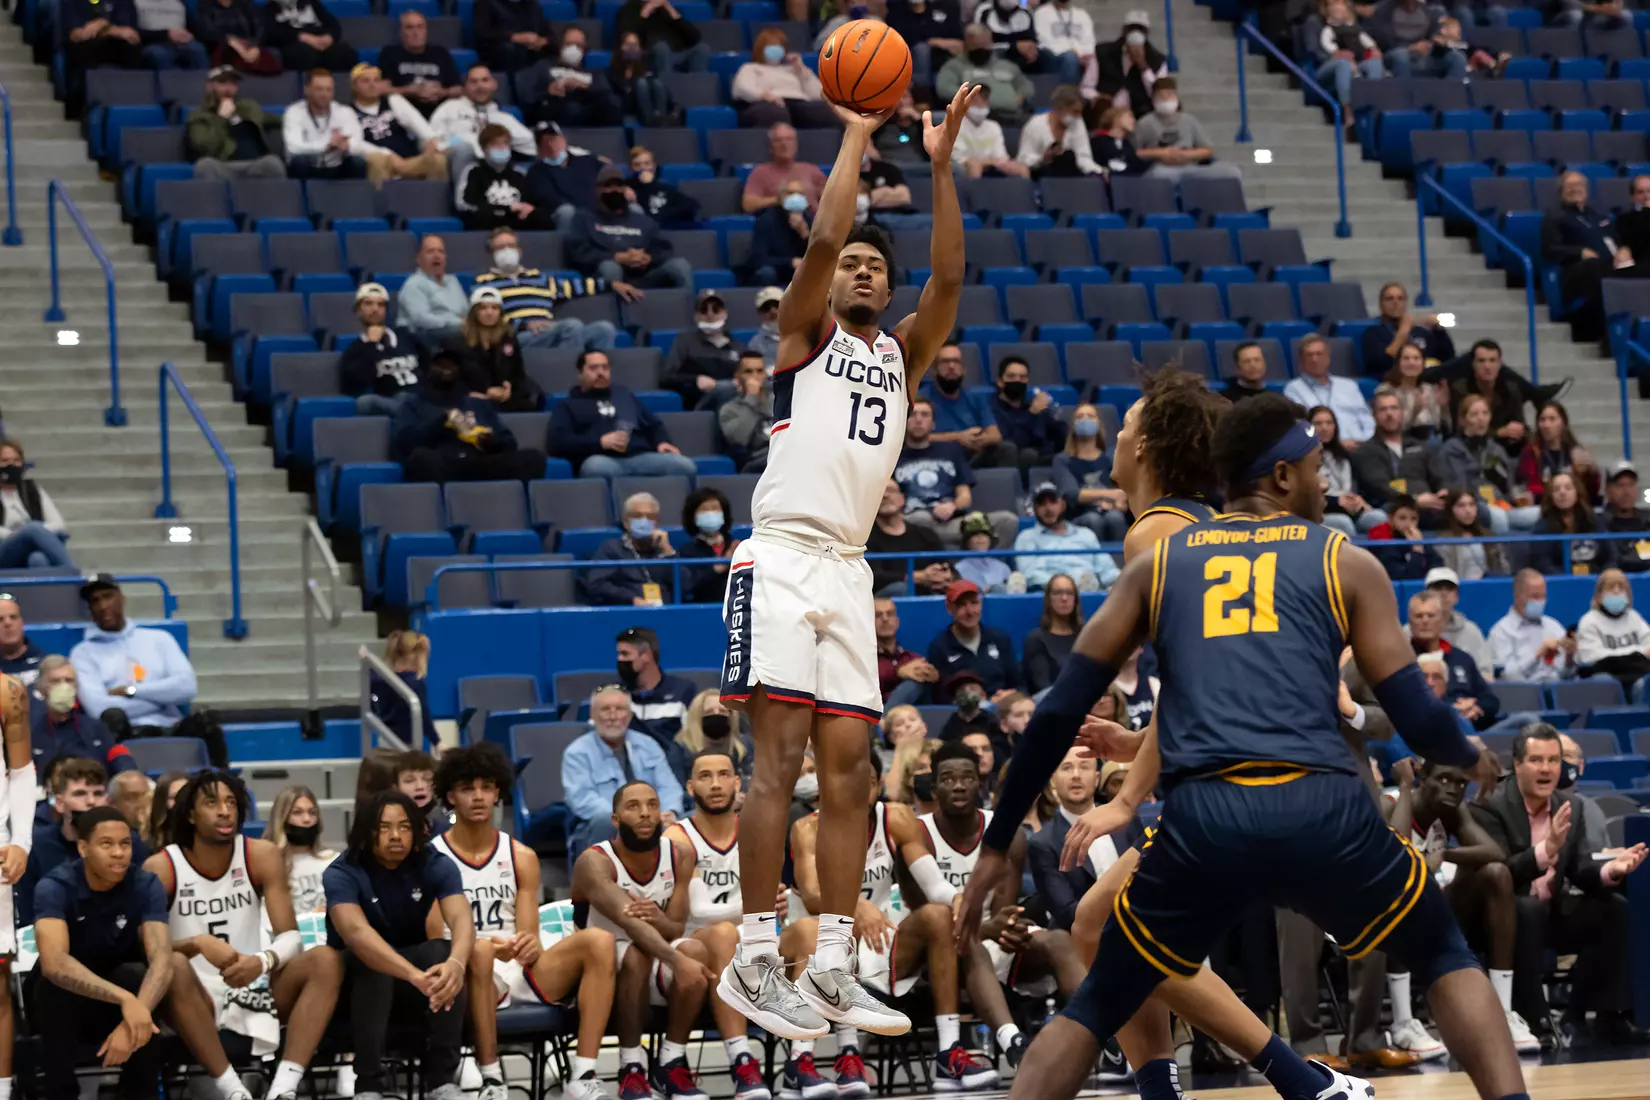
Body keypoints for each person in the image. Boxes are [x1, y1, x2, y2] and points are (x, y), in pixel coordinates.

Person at [959, 390, 1526, 1100]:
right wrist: (1473, 755)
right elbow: (1416, 712)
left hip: (1207, 817)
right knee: (1442, 951)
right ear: (1282, 476)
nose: (1327, 482)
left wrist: (995, 843)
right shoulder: (1343, 559)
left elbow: (1055, 715)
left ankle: (1224, 1081)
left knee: (1100, 995)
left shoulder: (1157, 563)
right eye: (1320, 467)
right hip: (1323, 808)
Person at [716, 84, 980, 1040]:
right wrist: (857, 137)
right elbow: (824, 241)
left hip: (848, 567)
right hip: (782, 557)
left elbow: (947, 283)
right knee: (773, 768)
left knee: (854, 778)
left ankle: (830, 966)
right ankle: (753, 960)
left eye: (878, 266)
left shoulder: (902, 356)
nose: (864, 272)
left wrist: (943, 168)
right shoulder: (802, 337)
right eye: (854, 266)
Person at [781, 757, 999, 1092]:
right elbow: (812, 896)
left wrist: (955, 898)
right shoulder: (808, 828)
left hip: (877, 940)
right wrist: (855, 907)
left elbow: (934, 885)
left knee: (938, 915)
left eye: (869, 780)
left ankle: (948, 1054)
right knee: (826, 930)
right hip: (810, 942)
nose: (861, 787)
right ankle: (805, 1062)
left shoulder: (895, 817)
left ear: (879, 784)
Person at [430, 745, 616, 1100]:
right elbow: (434, 936)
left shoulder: (521, 856)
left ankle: (582, 1073)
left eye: (487, 787)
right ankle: (491, 1077)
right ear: (451, 796)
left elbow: (528, 933)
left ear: (498, 791)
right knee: (481, 952)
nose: (479, 797)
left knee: (599, 941)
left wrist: (527, 944)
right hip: (463, 971)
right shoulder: (433, 858)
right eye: (468, 788)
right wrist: (481, 949)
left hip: (513, 967)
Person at [147, 770, 342, 1100]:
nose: (225, 810)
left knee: (325, 959)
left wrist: (262, 962)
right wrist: (196, 944)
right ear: (191, 814)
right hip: (194, 995)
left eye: (231, 802)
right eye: (212, 803)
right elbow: (149, 948)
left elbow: (290, 936)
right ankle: (234, 1091)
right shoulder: (162, 866)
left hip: (254, 986)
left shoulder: (260, 854)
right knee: (175, 965)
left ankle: (283, 1088)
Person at [1468, 724, 1649, 1045]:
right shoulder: (1489, 804)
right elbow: (1499, 872)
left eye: (1554, 761)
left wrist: (1611, 870)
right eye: (1537, 760)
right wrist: (1545, 851)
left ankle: (1590, 1016)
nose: (1547, 769)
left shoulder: (1571, 806)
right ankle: (1535, 1019)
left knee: (1615, 910)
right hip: (1500, 918)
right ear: (1518, 765)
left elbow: (1580, 870)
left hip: (1550, 911)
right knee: (1527, 908)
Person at [921, 742, 1087, 1067]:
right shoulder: (917, 831)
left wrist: (1008, 927)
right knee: (971, 944)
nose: (958, 785)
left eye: (967, 777)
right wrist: (988, 928)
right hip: (935, 948)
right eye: (948, 778)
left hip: (989, 938)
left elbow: (1002, 912)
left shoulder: (1007, 832)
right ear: (935, 786)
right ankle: (1013, 1041)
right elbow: (922, 916)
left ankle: (1100, 1029)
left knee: (1057, 939)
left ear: (979, 783)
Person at [323, 790, 473, 1100]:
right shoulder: (342, 871)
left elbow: (461, 919)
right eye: (384, 827)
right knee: (372, 962)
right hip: (351, 985)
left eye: (405, 827)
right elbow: (356, 934)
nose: (396, 836)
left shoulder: (434, 862)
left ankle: (441, 1083)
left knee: (441, 954)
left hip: (411, 983)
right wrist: (412, 975)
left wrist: (456, 964)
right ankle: (368, 1086)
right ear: (367, 831)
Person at [1386, 757, 1541, 1054]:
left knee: (1497, 873)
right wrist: (1405, 787)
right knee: (1399, 885)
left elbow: (1495, 852)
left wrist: (1445, 854)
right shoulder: (1392, 802)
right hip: (1387, 915)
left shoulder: (1453, 811)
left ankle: (1502, 1012)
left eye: (1460, 783)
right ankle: (1403, 1021)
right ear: (1423, 778)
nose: (1452, 788)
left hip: (1441, 909)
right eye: (1443, 779)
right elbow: (1394, 854)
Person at [31, 805, 173, 1100]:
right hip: (66, 1002)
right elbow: (54, 963)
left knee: (138, 975)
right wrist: (126, 1001)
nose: (119, 853)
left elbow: (162, 958)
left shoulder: (145, 885)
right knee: (53, 988)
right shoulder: (55, 886)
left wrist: (137, 1011)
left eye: (125, 844)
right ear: (83, 847)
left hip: (121, 992)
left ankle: (139, 1094)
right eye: (106, 844)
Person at [662, 752, 774, 1100]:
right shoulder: (677, 836)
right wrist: (756, 906)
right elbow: (700, 910)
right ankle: (741, 1057)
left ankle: (807, 1061)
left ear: (737, 783)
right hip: (689, 947)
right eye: (705, 776)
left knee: (811, 935)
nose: (715, 784)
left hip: (751, 946)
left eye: (724, 775)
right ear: (690, 786)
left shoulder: (758, 831)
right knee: (724, 933)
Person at [562, 685, 685, 856]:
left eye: (619, 709)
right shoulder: (577, 753)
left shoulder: (648, 745)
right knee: (605, 820)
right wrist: (627, 818)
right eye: (605, 709)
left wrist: (668, 812)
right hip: (605, 827)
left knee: (692, 817)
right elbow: (582, 799)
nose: (613, 716)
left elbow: (669, 787)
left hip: (651, 821)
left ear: (629, 715)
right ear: (592, 714)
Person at [392, 348, 546, 484]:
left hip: (480, 462)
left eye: (452, 365)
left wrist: (491, 443)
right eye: (441, 364)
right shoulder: (413, 404)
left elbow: (509, 443)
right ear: (429, 370)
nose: (447, 369)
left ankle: (505, 506)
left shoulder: (477, 403)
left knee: (533, 458)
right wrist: (441, 424)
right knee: (421, 459)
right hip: (445, 464)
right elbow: (404, 444)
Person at [69, 575, 198, 735]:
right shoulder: (82, 653)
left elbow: (187, 687)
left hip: (171, 725)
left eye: (108, 597)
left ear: (122, 598)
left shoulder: (159, 638)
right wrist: (164, 699)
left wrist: (132, 691)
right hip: (127, 731)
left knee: (205, 721)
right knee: (113, 718)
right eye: (95, 601)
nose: (102, 606)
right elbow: (100, 710)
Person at [549, 350, 698, 478]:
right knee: (595, 468)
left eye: (605, 368)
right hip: (603, 460)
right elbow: (559, 443)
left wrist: (662, 442)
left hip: (640, 457)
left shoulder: (624, 396)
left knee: (685, 466)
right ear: (580, 373)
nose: (601, 373)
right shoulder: (567, 405)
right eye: (593, 368)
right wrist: (599, 442)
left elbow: (653, 425)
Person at [895, 399, 1017, 549]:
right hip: (913, 523)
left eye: (925, 415)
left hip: (951, 523)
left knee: (1007, 521)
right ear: (904, 422)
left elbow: (965, 497)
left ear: (933, 424)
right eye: (912, 415)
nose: (918, 419)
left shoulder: (951, 451)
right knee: (922, 519)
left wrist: (952, 506)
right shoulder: (893, 457)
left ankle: (986, 564)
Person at [475, 228, 616, 352]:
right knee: (572, 326)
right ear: (491, 253)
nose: (507, 251)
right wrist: (524, 325)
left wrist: (611, 284)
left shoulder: (539, 278)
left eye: (511, 246)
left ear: (519, 251)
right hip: (519, 336)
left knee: (603, 330)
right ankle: (567, 375)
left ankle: (599, 375)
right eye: (500, 247)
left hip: (551, 330)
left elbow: (576, 286)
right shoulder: (485, 283)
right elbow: (486, 318)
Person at [1542, 170, 1637, 343]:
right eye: (1569, 186)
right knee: (1595, 267)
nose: (1575, 189)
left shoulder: (1598, 215)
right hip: (1577, 271)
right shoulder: (1555, 217)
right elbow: (1550, 249)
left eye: (1579, 185)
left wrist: (1624, 249)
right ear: (1561, 191)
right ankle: (1604, 334)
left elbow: (1617, 240)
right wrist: (1580, 252)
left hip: (1610, 265)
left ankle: (1634, 329)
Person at [566, 165, 691, 295]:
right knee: (610, 268)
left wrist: (648, 257)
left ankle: (690, 312)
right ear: (598, 189)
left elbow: (663, 248)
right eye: (608, 185)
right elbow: (578, 252)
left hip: (643, 276)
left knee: (680, 265)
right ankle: (613, 313)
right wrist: (616, 257)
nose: (615, 190)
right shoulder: (584, 218)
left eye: (619, 185)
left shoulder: (643, 221)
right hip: (606, 276)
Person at [1025, 746, 1110, 930]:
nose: (1076, 775)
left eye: (1084, 767)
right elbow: (1067, 913)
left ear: (1096, 779)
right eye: (1067, 768)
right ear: (1053, 781)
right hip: (1082, 940)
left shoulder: (1126, 823)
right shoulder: (1043, 844)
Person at [1433, 393, 1540, 533]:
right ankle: (1500, 553)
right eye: (1474, 414)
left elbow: (1508, 486)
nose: (1481, 419)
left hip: (1503, 506)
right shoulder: (1452, 449)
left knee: (1540, 514)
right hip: (1474, 508)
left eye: (1485, 413)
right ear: (1463, 420)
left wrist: (1519, 498)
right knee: (1499, 517)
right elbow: (1458, 489)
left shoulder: (1496, 449)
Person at [30, 655, 135, 780]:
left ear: (77, 687)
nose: (63, 687)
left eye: (69, 680)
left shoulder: (96, 729)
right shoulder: (29, 732)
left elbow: (122, 762)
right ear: (40, 688)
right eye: (55, 681)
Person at [1409, 589, 1499, 728]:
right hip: (1424, 732)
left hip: (1472, 732)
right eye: (1419, 616)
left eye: (1431, 615)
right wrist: (1453, 710)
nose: (1425, 621)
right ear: (1410, 621)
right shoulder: (1401, 661)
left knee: (1524, 719)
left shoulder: (1462, 658)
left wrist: (1475, 706)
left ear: (1442, 620)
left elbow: (1491, 701)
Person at [349, 64, 448, 184]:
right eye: (365, 81)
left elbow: (420, 126)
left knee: (438, 159)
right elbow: (355, 144)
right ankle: (383, 202)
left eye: (376, 80)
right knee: (378, 161)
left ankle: (434, 201)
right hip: (382, 161)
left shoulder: (393, 100)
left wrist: (431, 141)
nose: (372, 85)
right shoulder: (348, 111)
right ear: (354, 86)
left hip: (409, 161)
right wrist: (388, 155)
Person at [1130, 77, 1243, 182]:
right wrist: (1161, 153)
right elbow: (1133, 153)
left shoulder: (1189, 120)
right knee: (1159, 175)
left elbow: (1207, 150)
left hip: (1191, 168)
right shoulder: (1144, 123)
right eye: (1161, 96)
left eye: (1169, 94)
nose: (1165, 99)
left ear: (1176, 96)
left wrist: (1187, 155)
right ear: (1153, 98)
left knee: (1232, 172)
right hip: (1162, 169)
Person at [429, 65, 535, 176]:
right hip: (462, 160)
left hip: (496, 164)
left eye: (485, 80)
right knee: (464, 150)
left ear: (494, 85)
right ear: (465, 87)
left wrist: (502, 138)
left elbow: (530, 144)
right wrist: (461, 142)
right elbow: (433, 140)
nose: (480, 86)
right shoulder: (449, 108)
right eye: (474, 82)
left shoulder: (503, 117)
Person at [926, 578, 1022, 702]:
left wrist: (1008, 697)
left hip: (1002, 710)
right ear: (949, 608)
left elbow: (1019, 685)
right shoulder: (939, 647)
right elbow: (941, 699)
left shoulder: (999, 638)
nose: (970, 611)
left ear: (981, 604)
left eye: (974, 603)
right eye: (961, 605)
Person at [340, 282, 425, 417]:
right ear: (358, 310)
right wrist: (371, 344)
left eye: (381, 305)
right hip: (392, 401)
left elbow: (430, 366)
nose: (375, 309)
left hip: (421, 398)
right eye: (368, 304)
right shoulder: (354, 351)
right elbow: (354, 386)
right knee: (366, 402)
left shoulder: (406, 337)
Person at [1014, 484, 1118, 592]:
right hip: (1047, 593)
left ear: (1062, 505)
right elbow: (1029, 574)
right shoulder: (1026, 537)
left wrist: (1120, 580)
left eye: (1053, 502)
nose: (1048, 508)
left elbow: (1107, 570)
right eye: (1042, 504)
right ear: (1035, 509)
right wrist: (1065, 586)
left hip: (1088, 589)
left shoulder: (1086, 534)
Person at [186, 66, 284, 180]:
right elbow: (204, 146)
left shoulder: (248, 107)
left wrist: (299, 114)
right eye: (222, 82)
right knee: (204, 165)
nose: (228, 88)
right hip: (223, 166)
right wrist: (221, 118)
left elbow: (274, 119)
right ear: (210, 86)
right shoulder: (199, 115)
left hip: (256, 165)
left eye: (232, 83)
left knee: (273, 163)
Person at [585, 493, 680, 607]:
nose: (644, 521)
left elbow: (685, 586)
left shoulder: (665, 550)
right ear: (626, 521)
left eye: (650, 517)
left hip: (667, 612)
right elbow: (597, 584)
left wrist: (668, 551)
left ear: (657, 522)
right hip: (628, 612)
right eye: (637, 516)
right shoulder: (612, 548)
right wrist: (631, 599)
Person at [453, 286, 538, 413]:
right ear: (474, 312)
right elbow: (456, 377)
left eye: (494, 308)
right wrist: (482, 392)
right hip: (473, 397)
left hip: (504, 397)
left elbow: (517, 371)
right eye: (483, 308)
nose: (489, 312)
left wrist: (509, 387)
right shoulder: (459, 341)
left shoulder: (508, 338)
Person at [524, 25, 622, 129]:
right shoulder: (543, 67)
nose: (574, 49)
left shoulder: (592, 73)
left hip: (589, 113)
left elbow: (607, 93)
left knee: (613, 104)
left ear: (584, 51)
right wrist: (548, 90)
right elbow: (527, 96)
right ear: (560, 46)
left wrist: (584, 86)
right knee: (572, 108)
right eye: (569, 44)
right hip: (556, 112)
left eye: (579, 46)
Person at [732, 29, 832, 129]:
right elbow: (741, 88)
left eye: (779, 47)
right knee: (775, 113)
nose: (775, 50)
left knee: (824, 112)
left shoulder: (795, 69)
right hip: (770, 103)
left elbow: (818, 94)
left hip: (799, 104)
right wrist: (763, 96)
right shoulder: (751, 68)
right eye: (770, 47)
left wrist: (801, 69)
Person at [1281, 335, 1373, 443]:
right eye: (1309, 355)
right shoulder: (1293, 389)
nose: (1314, 359)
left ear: (1328, 358)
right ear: (1301, 361)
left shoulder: (1349, 386)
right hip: (1322, 448)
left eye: (1319, 354)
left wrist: (1367, 443)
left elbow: (1367, 420)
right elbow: (1301, 428)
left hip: (1360, 446)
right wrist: (1339, 444)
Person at [1490, 570, 1576, 683]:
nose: (1540, 602)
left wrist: (1569, 659)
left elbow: (1567, 677)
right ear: (1517, 596)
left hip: (1557, 691)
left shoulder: (1554, 627)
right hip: (1524, 695)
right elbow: (1507, 678)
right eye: (1534, 597)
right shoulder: (1501, 631)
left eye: (1543, 596)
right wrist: (1537, 654)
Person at [665, 290, 746, 410]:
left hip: (736, 403)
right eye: (704, 310)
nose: (710, 314)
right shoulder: (684, 342)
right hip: (701, 402)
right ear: (696, 316)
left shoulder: (738, 347)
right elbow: (667, 376)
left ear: (725, 314)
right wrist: (696, 379)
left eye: (716, 310)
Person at [457, 123, 547, 230]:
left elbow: (530, 203)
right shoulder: (473, 171)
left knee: (541, 218)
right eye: (495, 144)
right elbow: (464, 204)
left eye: (505, 144)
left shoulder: (520, 173)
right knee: (482, 217)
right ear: (484, 149)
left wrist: (528, 208)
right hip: (488, 220)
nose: (501, 148)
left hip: (515, 220)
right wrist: (506, 209)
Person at [938, 23, 1034, 123]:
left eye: (984, 45)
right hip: (973, 117)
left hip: (1011, 115)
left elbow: (1025, 85)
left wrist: (1020, 97)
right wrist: (972, 100)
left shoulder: (1007, 66)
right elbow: (945, 89)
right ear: (966, 45)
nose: (981, 50)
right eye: (976, 46)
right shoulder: (954, 66)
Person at [282, 70, 367, 181]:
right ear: (307, 90)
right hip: (309, 167)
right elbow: (294, 147)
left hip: (337, 167)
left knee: (358, 162)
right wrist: (326, 146)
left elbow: (357, 144)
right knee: (299, 161)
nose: (324, 94)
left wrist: (346, 145)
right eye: (319, 89)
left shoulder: (344, 111)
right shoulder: (294, 111)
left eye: (329, 90)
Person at [0, 440, 72, 569]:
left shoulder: (32, 489)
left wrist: (33, 533)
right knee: (32, 529)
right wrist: (21, 534)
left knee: (38, 559)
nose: (11, 465)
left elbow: (59, 525)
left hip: (31, 548)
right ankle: (76, 576)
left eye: (16, 460)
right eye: (5, 461)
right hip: (3, 551)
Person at [1309, 405, 1381, 535]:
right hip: (1321, 513)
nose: (1324, 428)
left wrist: (1359, 499)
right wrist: (1336, 502)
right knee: (1343, 523)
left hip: (1351, 510)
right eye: (1318, 423)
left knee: (1378, 517)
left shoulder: (1345, 455)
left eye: (1329, 423)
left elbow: (1360, 486)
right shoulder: (1303, 458)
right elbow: (1306, 496)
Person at [991, 356, 1067, 477]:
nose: (1018, 381)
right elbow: (1011, 442)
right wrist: (1031, 414)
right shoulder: (992, 409)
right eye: (1011, 377)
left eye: (1022, 377)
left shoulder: (1032, 404)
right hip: (1010, 463)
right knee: (1028, 454)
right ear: (1000, 381)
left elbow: (1058, 432)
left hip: (1041, 458)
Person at [1448, 339, 1531, 450]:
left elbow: (1521, 423)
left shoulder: (1511, 389)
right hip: (1470, 448)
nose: (1487, 366)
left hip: (1506, 449)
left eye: (1492, 360)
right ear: (1473, 364)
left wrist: (1519, 430)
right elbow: (1459, 430)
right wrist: (1498, 433)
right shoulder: (1460, 389)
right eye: (1481, 361)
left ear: (1499, 364)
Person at [378, 10, 463, 118]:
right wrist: (411, 90)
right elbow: (382, 90)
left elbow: (459, 89)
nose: (416, 33)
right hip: (403, 113)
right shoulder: (390, 53)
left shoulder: (440, 53)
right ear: (401, 32)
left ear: (425, 30)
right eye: (410, 27)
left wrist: (442, 92)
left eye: (420, 27)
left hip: (439, 111)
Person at [1574, 568, 1650, 687]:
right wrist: (1638, 652)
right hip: (1605, 676)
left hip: (1636, 674)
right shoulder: (1589, 620)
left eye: (1621, 587)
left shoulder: (1634, 617)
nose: (1616, 591)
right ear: (1599, 595)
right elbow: (1591, 657)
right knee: (1604, 681)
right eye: (1610, 587)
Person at [1362, 281, 1456, 378]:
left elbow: (1449, 359)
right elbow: (1382, 364)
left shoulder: (1420, 331)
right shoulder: (1373, 333)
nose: (1395, 302)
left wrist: (1438, 330)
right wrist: (1403, 331)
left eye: (1400, 298)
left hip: (1425, 380)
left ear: (1405, 303)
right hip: (1392, 383)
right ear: (1381, 305)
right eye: (1389, 299)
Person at [268, 785, 335, 917]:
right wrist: (313, 916)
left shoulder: (333, 861)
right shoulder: (270, 866)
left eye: (312, 812)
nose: (306, 819)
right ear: (282, 818)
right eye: (297, 813)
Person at [1529, 472, 1612, 576]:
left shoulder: (1593, 520)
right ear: (1551, 496)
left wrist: (1603, 578)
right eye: (1556, 489)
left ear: (1577, 492)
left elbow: (1610, 557)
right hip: (1559, 583)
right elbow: (1542, 563)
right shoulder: (1542, 527)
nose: (1562, 492)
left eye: (1568, 488)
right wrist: (1567, 580)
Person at [368, 631, 439, 752]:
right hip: (407, 745)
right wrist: (437, 742)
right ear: (419, 657)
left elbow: (372, 702)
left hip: (386, 740)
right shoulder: (415, 682)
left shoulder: (380, 680)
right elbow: (423, 714)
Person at [1518, 401, 1598, 505]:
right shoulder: (1530, 452)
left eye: (1552, 419)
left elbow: (1591, 492)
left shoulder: (1575, 452)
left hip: (1574, 508)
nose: (1546, 425)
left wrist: (1591, 473)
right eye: (1542, 420)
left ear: (1563, 423)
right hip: (1542, 508)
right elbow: (1531, 489)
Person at [398, 235, 471, 347]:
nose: (437, 256)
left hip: (457, 334)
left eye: (440, 251)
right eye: (430, 251)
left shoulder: (452, 281)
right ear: (418, 259)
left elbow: (465, 311)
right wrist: (460, 324)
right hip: (425, 338)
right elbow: (422, 320)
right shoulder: (413, 285)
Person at [1311, 0, 1384, 109]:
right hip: (1330, 65)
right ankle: (1347, 112)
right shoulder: (1321, 26)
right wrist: (1336, 54)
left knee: (1374, 64)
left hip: (1357, 61)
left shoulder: (1355, 28)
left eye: (1341, 4)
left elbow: (1366, 41)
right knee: (1343, 64)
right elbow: (1319, 49)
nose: (1338, 8)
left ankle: (1373, 106)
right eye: (1334, 5)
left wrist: (1373, 49)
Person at [1016, 86, 1102, 178]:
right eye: (1075, 112)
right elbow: (1023, 160)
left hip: (1070, 176)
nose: (1078, 116)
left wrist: (1100, 171)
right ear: (1059, 108)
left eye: (1080, 112)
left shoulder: (1078, 123)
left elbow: (1084, 157)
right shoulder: (1036, 125)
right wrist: (1043, 158)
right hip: (1040, 175)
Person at [742, 123, 828, 216]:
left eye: (789, 139)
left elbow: (831, 198)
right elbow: (748, 205)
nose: (784, 144)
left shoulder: (812, 170)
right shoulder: (760, 173)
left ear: (796, 144)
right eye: (778, 140)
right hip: (779, 223)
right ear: (771, 147)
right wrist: (778, 200)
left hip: (812, 222)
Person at [1094, 8, 1168, 112]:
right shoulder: (1102, 52)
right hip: (1108, 111)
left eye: (1140, 29)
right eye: (1132, 28)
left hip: (1140, 111)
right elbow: (1087, 86)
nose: (1135, 33)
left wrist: (1143, 65)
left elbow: (1159, 91)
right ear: (1124, 30)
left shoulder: (1157, 59)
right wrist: (1099, 98)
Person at [1425, 565, 1494, 674]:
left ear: (1456, 596)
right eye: (1438, 587)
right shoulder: (1410, 632)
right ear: (1426, 595)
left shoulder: (1471, 632)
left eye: (1449, 588)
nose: (1444, 593)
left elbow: (1486, 673)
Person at [63, 0, 143, 93]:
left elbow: (130, 34)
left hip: (118, 47)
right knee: (89, 49)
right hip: (86, 49)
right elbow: (76, 35)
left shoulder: (123, 2)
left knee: (133, 48)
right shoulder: (72, 2)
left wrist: (103, 25)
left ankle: (133, 98)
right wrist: (109, 28)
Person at [1023, 574, 1083, 694]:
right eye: (1058, 593)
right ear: (1048, 599)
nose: (1064, 598)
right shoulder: (1036, 639)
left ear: (1075, 599)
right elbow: (1041, 686)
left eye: (1070, 593)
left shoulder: (1086, 635)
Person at [615, 0, 709, 75]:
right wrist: (645, 13)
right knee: (661, 48)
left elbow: (695, 38)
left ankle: (698, 89)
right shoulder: (628, 10)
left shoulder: (667, 10)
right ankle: (667, 87)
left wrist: (670, 9)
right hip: (648, 54)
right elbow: (630, 39)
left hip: (676, 52)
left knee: (702, 48)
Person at [747, 179, 813, 286]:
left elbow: (816, 256)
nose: (796, 197)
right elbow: (759, 259)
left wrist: (804, 234)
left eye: (800, 193)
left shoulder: (808, 218)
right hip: (776, 271)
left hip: (800, 273)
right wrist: (790, 262)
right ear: (781, 196)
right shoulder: (766, 220)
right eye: (791, 193)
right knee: (767, 273)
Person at [676, 694, 757, 779]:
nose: (716, 715)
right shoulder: (680, 749)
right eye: (709, 712)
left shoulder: (743, 747)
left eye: (722, 711)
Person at [876, 599, 938, 709]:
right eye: (878, 615)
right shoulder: (865, 659)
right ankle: (885, 721)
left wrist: (935, 677)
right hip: (875, 715)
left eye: (890, 614)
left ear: (897, 622)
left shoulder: (912, 658)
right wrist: (897, 672)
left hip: (912, 719)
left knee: (917, 680)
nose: (885, 619)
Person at [719, 352, 776, 473]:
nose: (755, 376)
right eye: (748, 372)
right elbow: (740, 439)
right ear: (738, 377)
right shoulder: (729, 409)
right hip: (756, 461)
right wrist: (751, 399)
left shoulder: (779, 401)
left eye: (759, 371)